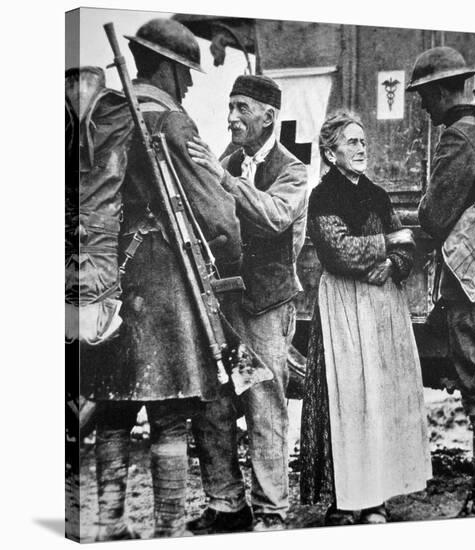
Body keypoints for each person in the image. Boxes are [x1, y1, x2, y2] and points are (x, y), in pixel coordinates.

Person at [80, 18, 242, 540]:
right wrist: (231, 255)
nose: (191, 84)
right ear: (169, 68)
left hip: (107, 279)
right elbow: (217, 214)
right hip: (166, 280)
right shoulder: (171, 122)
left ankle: (108, 524)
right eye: (187, 72)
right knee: (170, 415)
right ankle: (170, 528)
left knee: (110, 412)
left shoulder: (106, 112)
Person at [186, 74, 309, 532]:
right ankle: (226, 504)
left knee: (264, 405)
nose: (231, 117)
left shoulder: (293, 169)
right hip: (226, 308)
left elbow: (276, 217)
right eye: (229, 107)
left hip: (266, 309)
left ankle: (272, 511)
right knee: (215, 404)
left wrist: (222, 179)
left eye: (241, 108)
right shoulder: (227, 158)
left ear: (268, 117)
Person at [298, 112, 432, 525]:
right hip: (343, 308)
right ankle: (344, 500)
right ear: (330, 152)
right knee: (346, 400)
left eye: (362, 141)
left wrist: (393, 264)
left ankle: (375, 499)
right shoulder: (322, 197)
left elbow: (406, 246)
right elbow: (339, 252)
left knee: (380, 398)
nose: (361, 148)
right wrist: (387, 243)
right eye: (351, 142)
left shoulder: (377, 194)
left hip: (381, 307)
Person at [407, 46, 475, 516]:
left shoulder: (459, 137)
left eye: (424, 95)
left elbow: (432, 214)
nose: (421, 105)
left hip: (474, 288)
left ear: (443, 91)